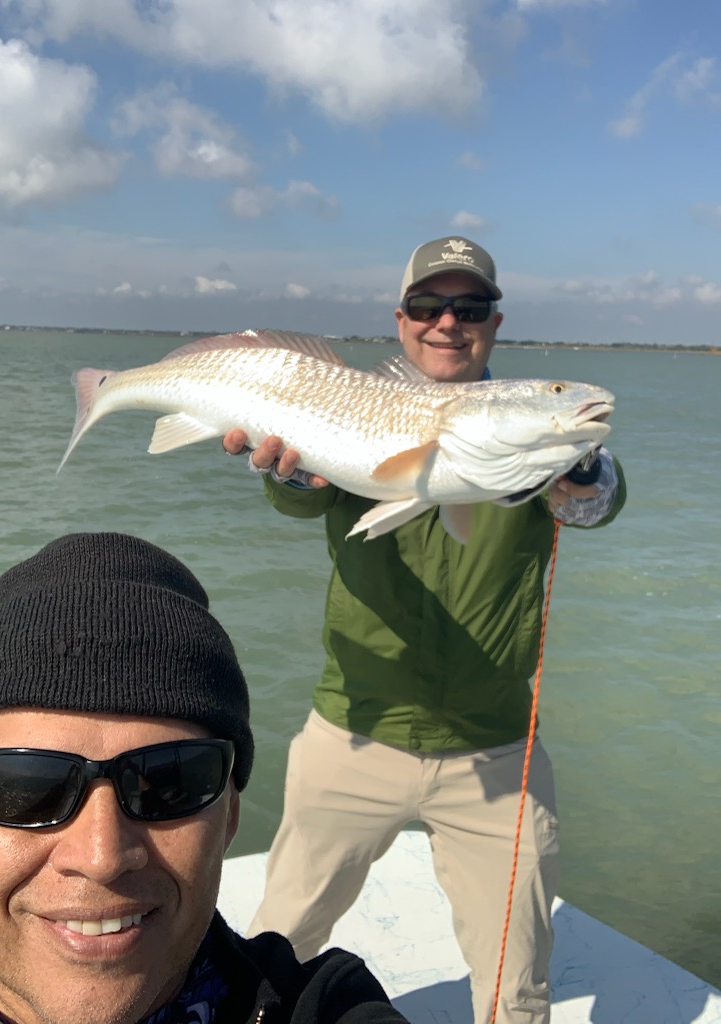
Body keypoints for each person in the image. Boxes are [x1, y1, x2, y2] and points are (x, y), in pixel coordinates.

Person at [222, 236, 627, 1024]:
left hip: (495, 751)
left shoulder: (538, 439)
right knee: (271, 961)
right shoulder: (353, 403)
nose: (448, 322)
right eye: (428, 306)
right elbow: (300, 494)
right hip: (354, 733)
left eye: (468, 308)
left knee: (517, 991)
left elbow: (599, 496)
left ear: (494, 323)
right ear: (401, 320)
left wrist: (579, 463)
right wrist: (291, 468)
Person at [0, 531, 410, 1024]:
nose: (102, 857)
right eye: (26, 787)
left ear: (229, 815)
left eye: (169, 784)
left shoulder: (320, 1007)